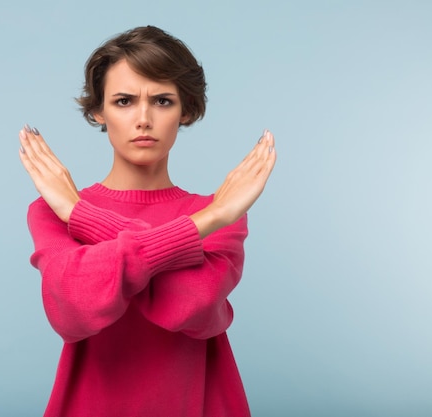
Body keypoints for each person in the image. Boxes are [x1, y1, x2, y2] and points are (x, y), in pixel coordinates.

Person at [18, 25, 276, 417]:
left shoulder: (222, 213)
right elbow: (73, 310)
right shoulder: (53, 209)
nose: (143, 118)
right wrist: (201, 224)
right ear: (97, 111)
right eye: (123, 101)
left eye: (162, 101)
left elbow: (192, 305)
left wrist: (82, 218)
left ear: (185, 110)